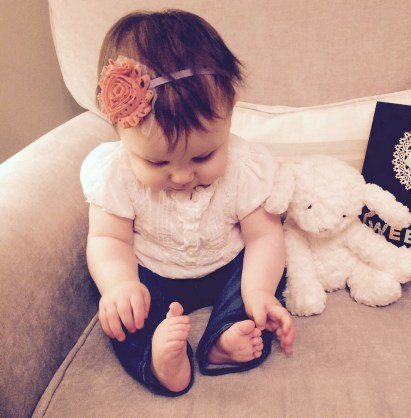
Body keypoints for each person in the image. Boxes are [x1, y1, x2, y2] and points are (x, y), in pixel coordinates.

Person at [80, 9, 295, 396]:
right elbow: (108, 239)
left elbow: (263, 236)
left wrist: (259, 292)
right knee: (122, 308)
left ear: (230, 113)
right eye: (157, 162)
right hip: (152, 271)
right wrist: (119, 284)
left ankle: (225, 338)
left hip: (226, 265)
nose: (181, 177)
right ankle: (156, 360)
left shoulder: (246, 167)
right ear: (120, 133)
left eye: (203, 156)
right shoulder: (114, 172)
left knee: (265, 276)